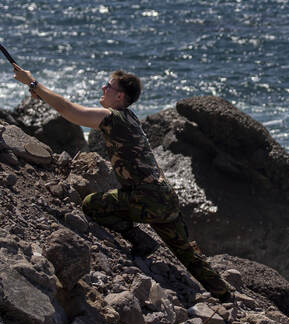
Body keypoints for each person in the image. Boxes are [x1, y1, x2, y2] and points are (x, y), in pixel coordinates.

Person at [12, 65, 232, 300]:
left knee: (91, 204)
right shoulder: (130, 118)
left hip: (147, 199)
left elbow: (68, 109)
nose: (103, 88)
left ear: (119, 96)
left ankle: (138, 239)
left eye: (108, 86)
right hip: (165, 198)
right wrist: (42, 94)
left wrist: (33, 83)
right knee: (186, 253)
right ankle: (223, 293)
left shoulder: (111, 117)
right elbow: (67, 109)